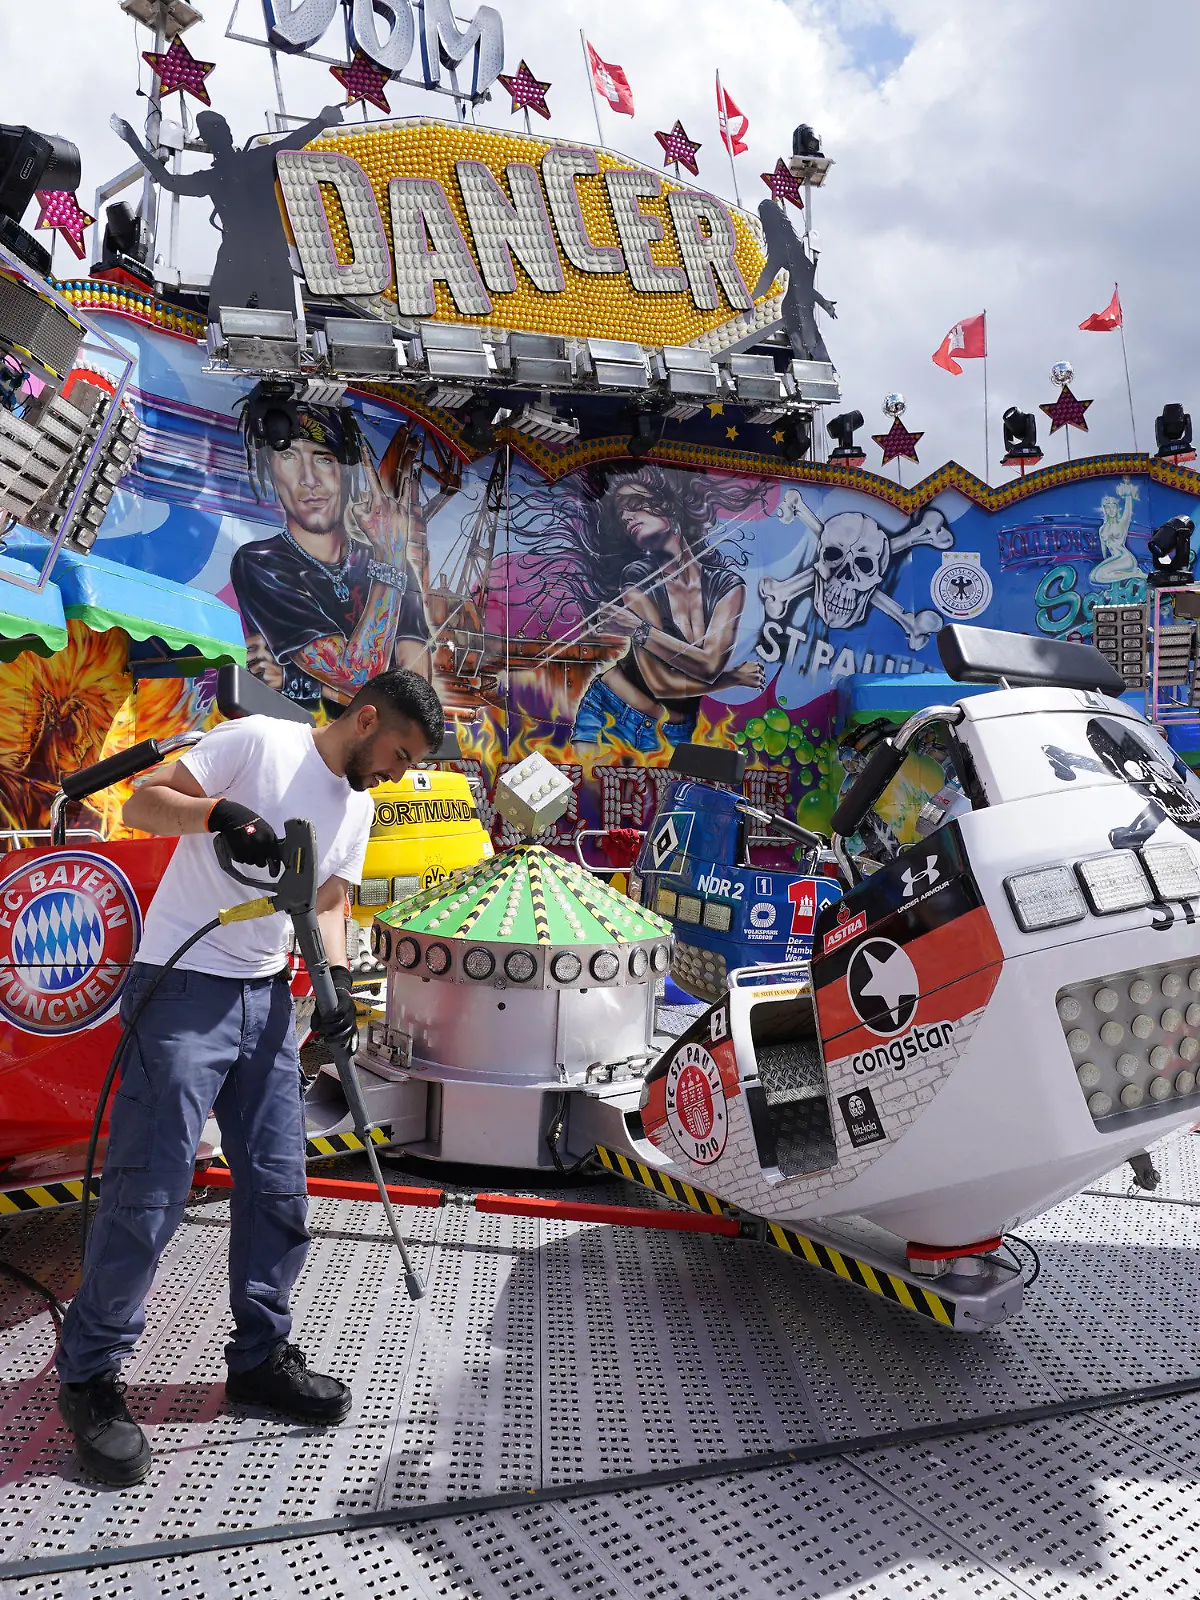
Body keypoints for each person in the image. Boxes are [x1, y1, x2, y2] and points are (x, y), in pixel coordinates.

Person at [55, 669, 445, 1487]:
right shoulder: (257, 742)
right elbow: (142, 801)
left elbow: (331, 899)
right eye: (398, 752)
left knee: (278, 1187)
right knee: (151, 1191)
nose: (397, 774)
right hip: (183, 989)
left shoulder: (359, 805)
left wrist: (333, 984)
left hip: (268, 1000)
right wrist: (217, 814)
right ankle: (91, 1376)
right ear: (366, 718)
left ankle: (259, 1357)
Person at [515, 465, 765, 753]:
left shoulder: (728, 586)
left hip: (675, 733)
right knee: (584, 796)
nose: (627, 517)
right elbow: (661, 684)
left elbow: (709, 666)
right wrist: (732, 678)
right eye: (622, 516)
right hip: (609, 711)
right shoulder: (636, 578)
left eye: (634, 505)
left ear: (670, 508)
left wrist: (640, 631)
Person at [231, 407, 432, 714]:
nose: (310, 479)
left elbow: (413, 700)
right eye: (288, 456)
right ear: (269, 468)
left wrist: (292, 680)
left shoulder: (390, 561)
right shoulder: (260, 563)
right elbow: (356, 676)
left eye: (324, 458)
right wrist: (390, 562)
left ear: (346, 471)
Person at [109, 106, 344, 318]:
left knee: (231, 322)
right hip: (259, 253)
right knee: (247, 322)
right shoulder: (252, 162)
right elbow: (293, 141)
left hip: (247, 254)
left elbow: (169, 181)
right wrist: (321, 121)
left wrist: (134, 142)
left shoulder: (219, 176)